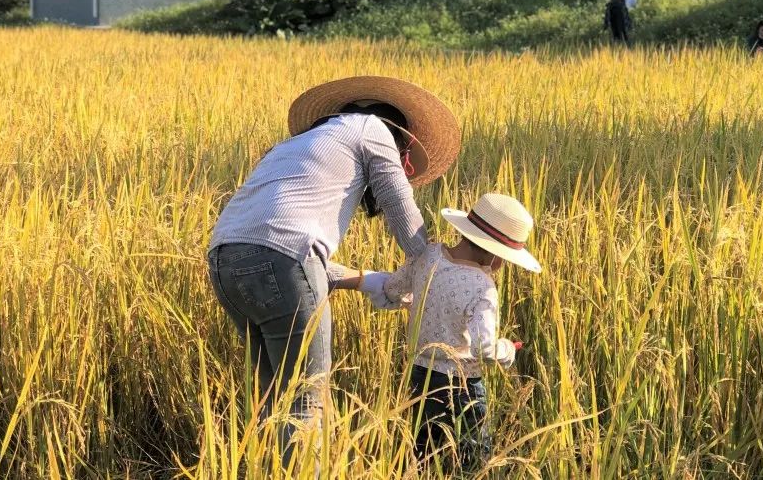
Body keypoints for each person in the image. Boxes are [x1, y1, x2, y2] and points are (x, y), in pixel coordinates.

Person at [207, 76, 461, 471]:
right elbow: (397, 200)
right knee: (307, 399)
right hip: (282, 262)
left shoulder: (293, 147)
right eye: (405, 153)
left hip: (224, 261)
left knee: (268, 395)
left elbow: (279, 248)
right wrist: (428, 262)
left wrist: (366, 280)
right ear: (400, 137)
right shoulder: (372, 128)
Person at [373, 193, 540, 473]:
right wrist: (507, 350)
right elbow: (483, 348)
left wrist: (410, 303)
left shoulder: (427, 255)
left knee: (423, 453)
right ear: (498, 256)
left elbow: (392, 288)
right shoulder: (483, 287)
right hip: (461, 386)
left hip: (419, 375)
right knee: (472, 459)